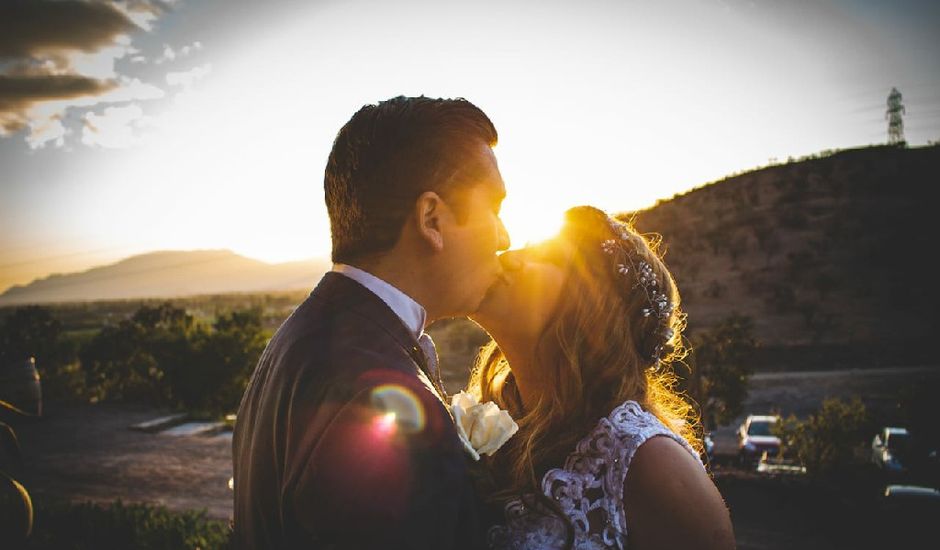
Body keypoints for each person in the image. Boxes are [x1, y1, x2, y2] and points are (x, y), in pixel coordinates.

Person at [232, 96, 510, 549]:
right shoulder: (382, 404)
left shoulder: (294, 342)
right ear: (432, 219)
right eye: (494, 208)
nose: (504, 237)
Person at [467, 206, 736, 550]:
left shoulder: (650, 463)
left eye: (544, 255)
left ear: (590, 304)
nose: (511, 256)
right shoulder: (494, 428)